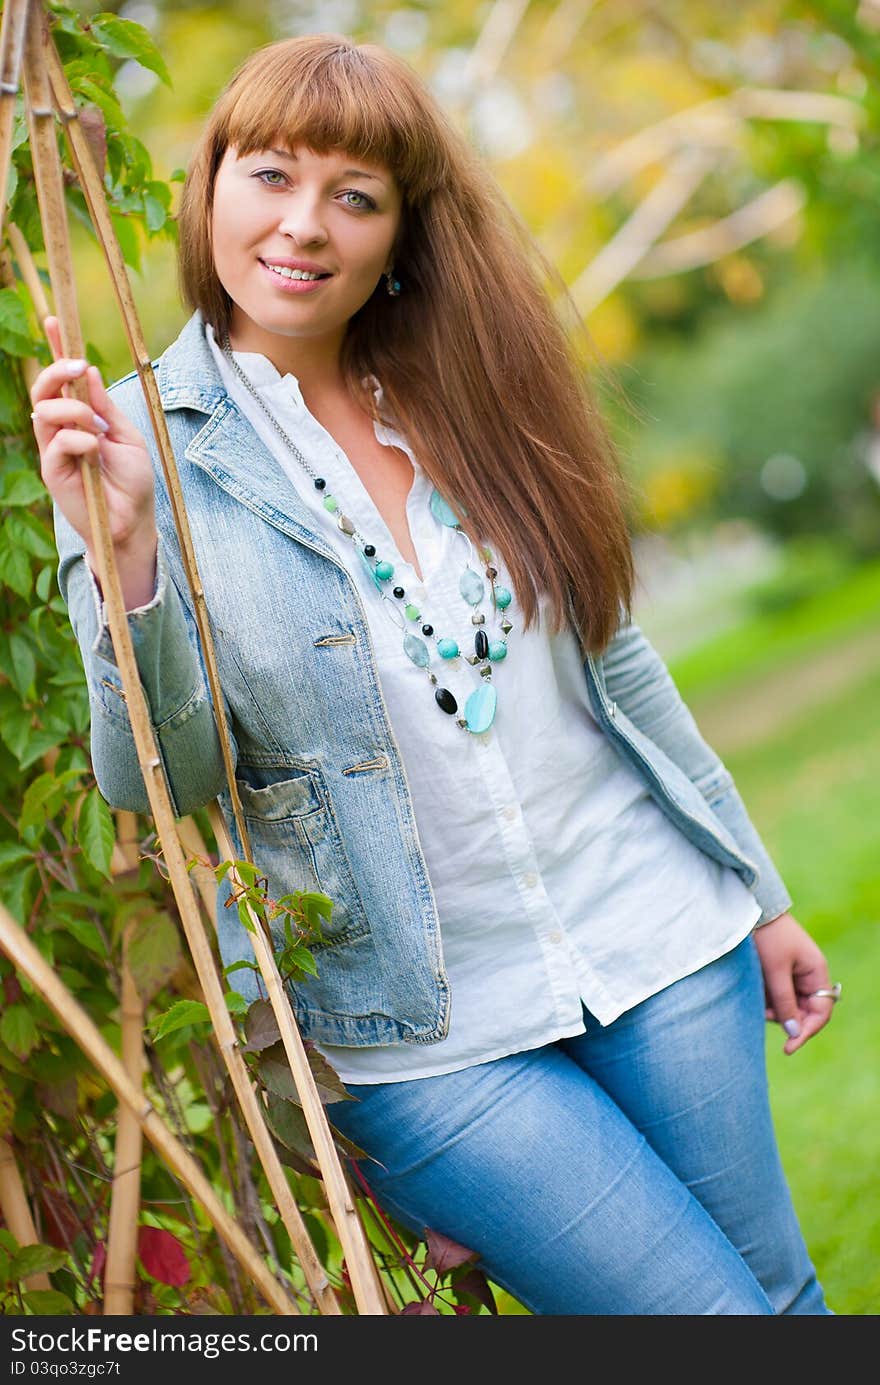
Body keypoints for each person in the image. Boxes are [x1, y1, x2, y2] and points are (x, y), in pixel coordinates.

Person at [31, 34, 840, 1315]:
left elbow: (614, 659)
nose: (305, 226)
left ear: (401, 233)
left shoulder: (471, 389)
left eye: (354, 196)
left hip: (660, 931)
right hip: (424, 1034)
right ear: (208, 188)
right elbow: (154, 778)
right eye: (272, 175)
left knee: (780, 1300)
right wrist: (122, 552)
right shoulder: (134, 442)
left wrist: (757, 886)